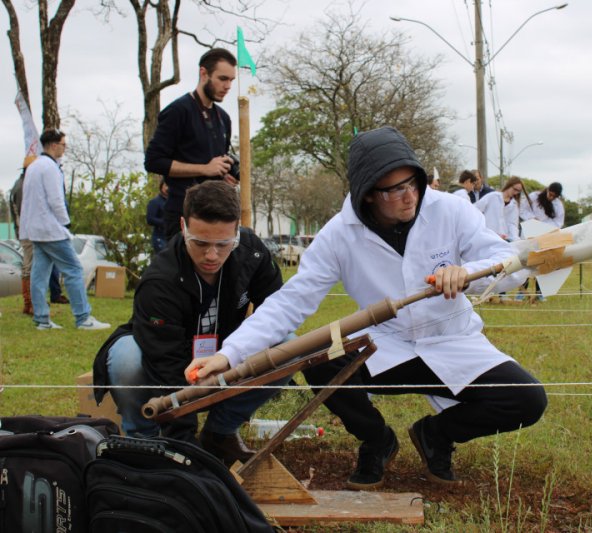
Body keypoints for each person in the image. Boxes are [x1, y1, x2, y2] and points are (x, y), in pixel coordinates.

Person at [187, 127, 547, 489]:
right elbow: (291, 301)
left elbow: (507, 259)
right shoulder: (340, 233)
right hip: (386, 345)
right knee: (318, 359)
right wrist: (230, 354)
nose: (409, 196)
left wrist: (467, 274)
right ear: (368, 193)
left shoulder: (450, 209)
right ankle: (377, 440)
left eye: (413, 183)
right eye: (395, 189)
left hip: (452, 340)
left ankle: (436, 435)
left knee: (527, 400)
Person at [92, 181, 289, 466]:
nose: (212, 255)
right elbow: (165, 363)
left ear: (237, 229)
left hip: (225, 352)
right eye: (200, 243)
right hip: (167, 357)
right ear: (183, 226)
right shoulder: (159, 281)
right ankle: (144, 441)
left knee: (286, 345)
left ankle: (220, 433)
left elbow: (275, 312)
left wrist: (233, 355)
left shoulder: (253, 254)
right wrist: (185, 446)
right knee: (127, 358)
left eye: (223, 244)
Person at [19, 129, 110, 331]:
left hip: (35, 229)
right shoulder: (50, 168)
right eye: (63, 144)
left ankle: (42, 319)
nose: (64, 148)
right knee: (74, 270)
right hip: (51, 229)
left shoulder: (33, 166)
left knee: (39, 274)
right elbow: (56, 200)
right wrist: (65, 222)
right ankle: (83, 318)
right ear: (53, 145)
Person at [144, 48, 239, 240]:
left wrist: (224, 176)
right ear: (204, 73)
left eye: (231, 80)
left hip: (216, 214)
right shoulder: (178, 111)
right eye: (222, 79)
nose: (227, 86)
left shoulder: (224, 118)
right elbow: (153, 161)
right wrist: (204, 168)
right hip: (183, 214)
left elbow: (215, 164)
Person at [9, 156, 69, 315]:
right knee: (31, 267)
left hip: (26, 231)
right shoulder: (23, 186)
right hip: (28, 232)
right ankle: (30, 303)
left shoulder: (20, 184)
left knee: (33, 266)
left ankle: (33, 302)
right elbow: (26, 212)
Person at [473, 177, 526, 241]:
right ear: (509, 185)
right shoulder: (493, 196)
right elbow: (475, 209)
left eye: (518, 191)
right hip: (487, 236)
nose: (516, 193)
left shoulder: (514, 205)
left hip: (503, 238)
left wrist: (515, 238)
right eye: (515, 189)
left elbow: (512, 224)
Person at [146, 179, 169, 253]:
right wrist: (165, 222)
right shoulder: (155, 202)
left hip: (171, 237)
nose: (168, 188)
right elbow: (150, 219)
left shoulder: (172, 202)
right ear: (161, 187)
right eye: (166, 185)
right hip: (160, 237)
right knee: (164, 258)